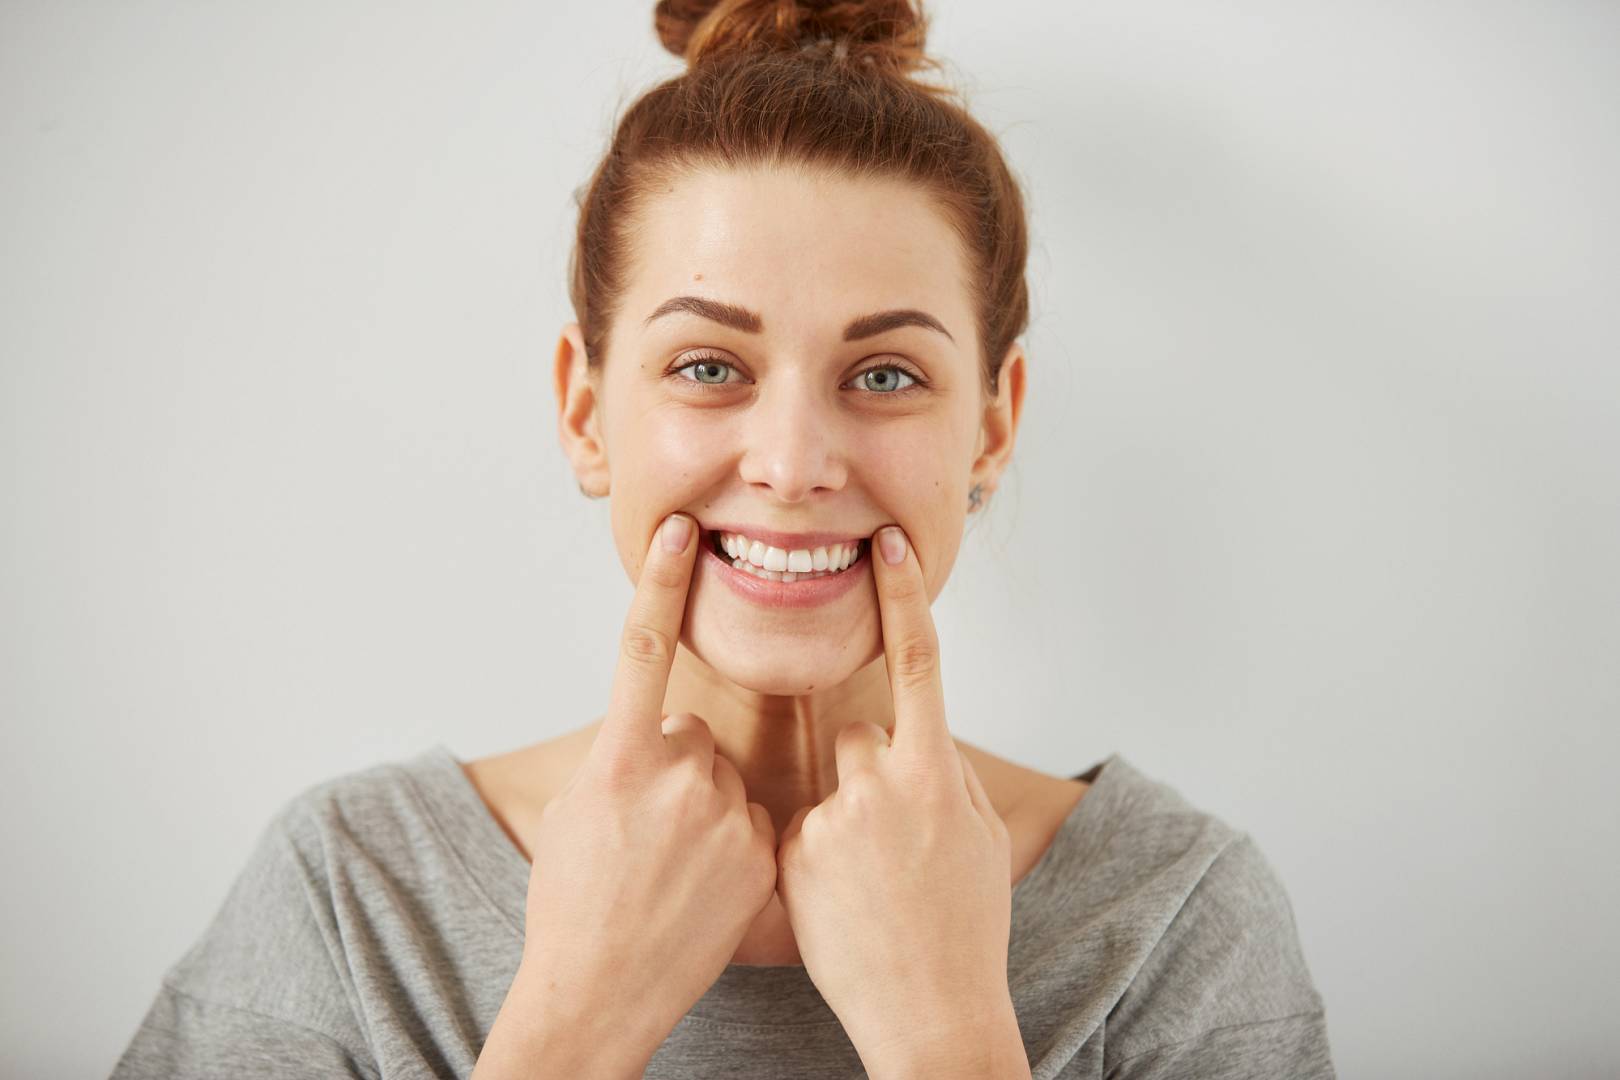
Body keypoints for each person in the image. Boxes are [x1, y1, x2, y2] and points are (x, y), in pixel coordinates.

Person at [110, 1, 1336, 1077]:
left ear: (993, 428)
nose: (794, 466)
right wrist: (575, 1021)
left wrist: (947, 1036)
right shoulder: (355, 896)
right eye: (709, 365)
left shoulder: (1176, 916)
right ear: (587, 413)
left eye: (887, 373)